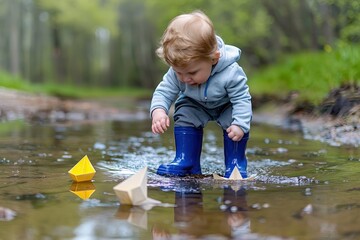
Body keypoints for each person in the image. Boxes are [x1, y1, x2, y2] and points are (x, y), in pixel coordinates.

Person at [150, 10, 252, 178]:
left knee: (235, 121)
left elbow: (242, 99)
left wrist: (240, 124)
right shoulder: (179, 72)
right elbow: (164, 90)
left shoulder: (231, 72)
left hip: (226, 105)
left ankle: (235, 163)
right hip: (195, 104)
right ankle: (186, 161)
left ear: (214, 58)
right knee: (184, 112)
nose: (185, 79)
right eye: (179, 73)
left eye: (192, 72)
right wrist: (159, 111)